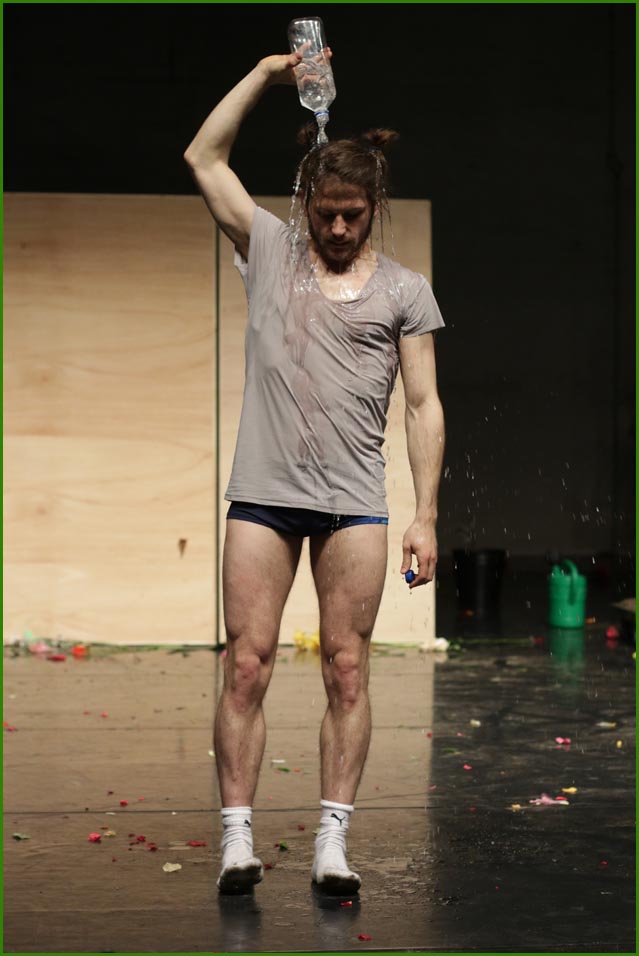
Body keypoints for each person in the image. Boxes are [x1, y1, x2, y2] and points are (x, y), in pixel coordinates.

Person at [184, 49, 445, 896]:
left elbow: (422, 405)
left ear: (375, 209)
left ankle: (332, 843)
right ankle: (236, 840)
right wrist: (266, 76)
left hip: (353, 505)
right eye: (325, 214)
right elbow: (202, 158)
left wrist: (425, 514)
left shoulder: (404, 291)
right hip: (262, 499)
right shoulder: (269, 250)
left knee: (346, 668)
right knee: (247, 664)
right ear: (305, 205)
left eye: (352, 216)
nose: (337, 229)